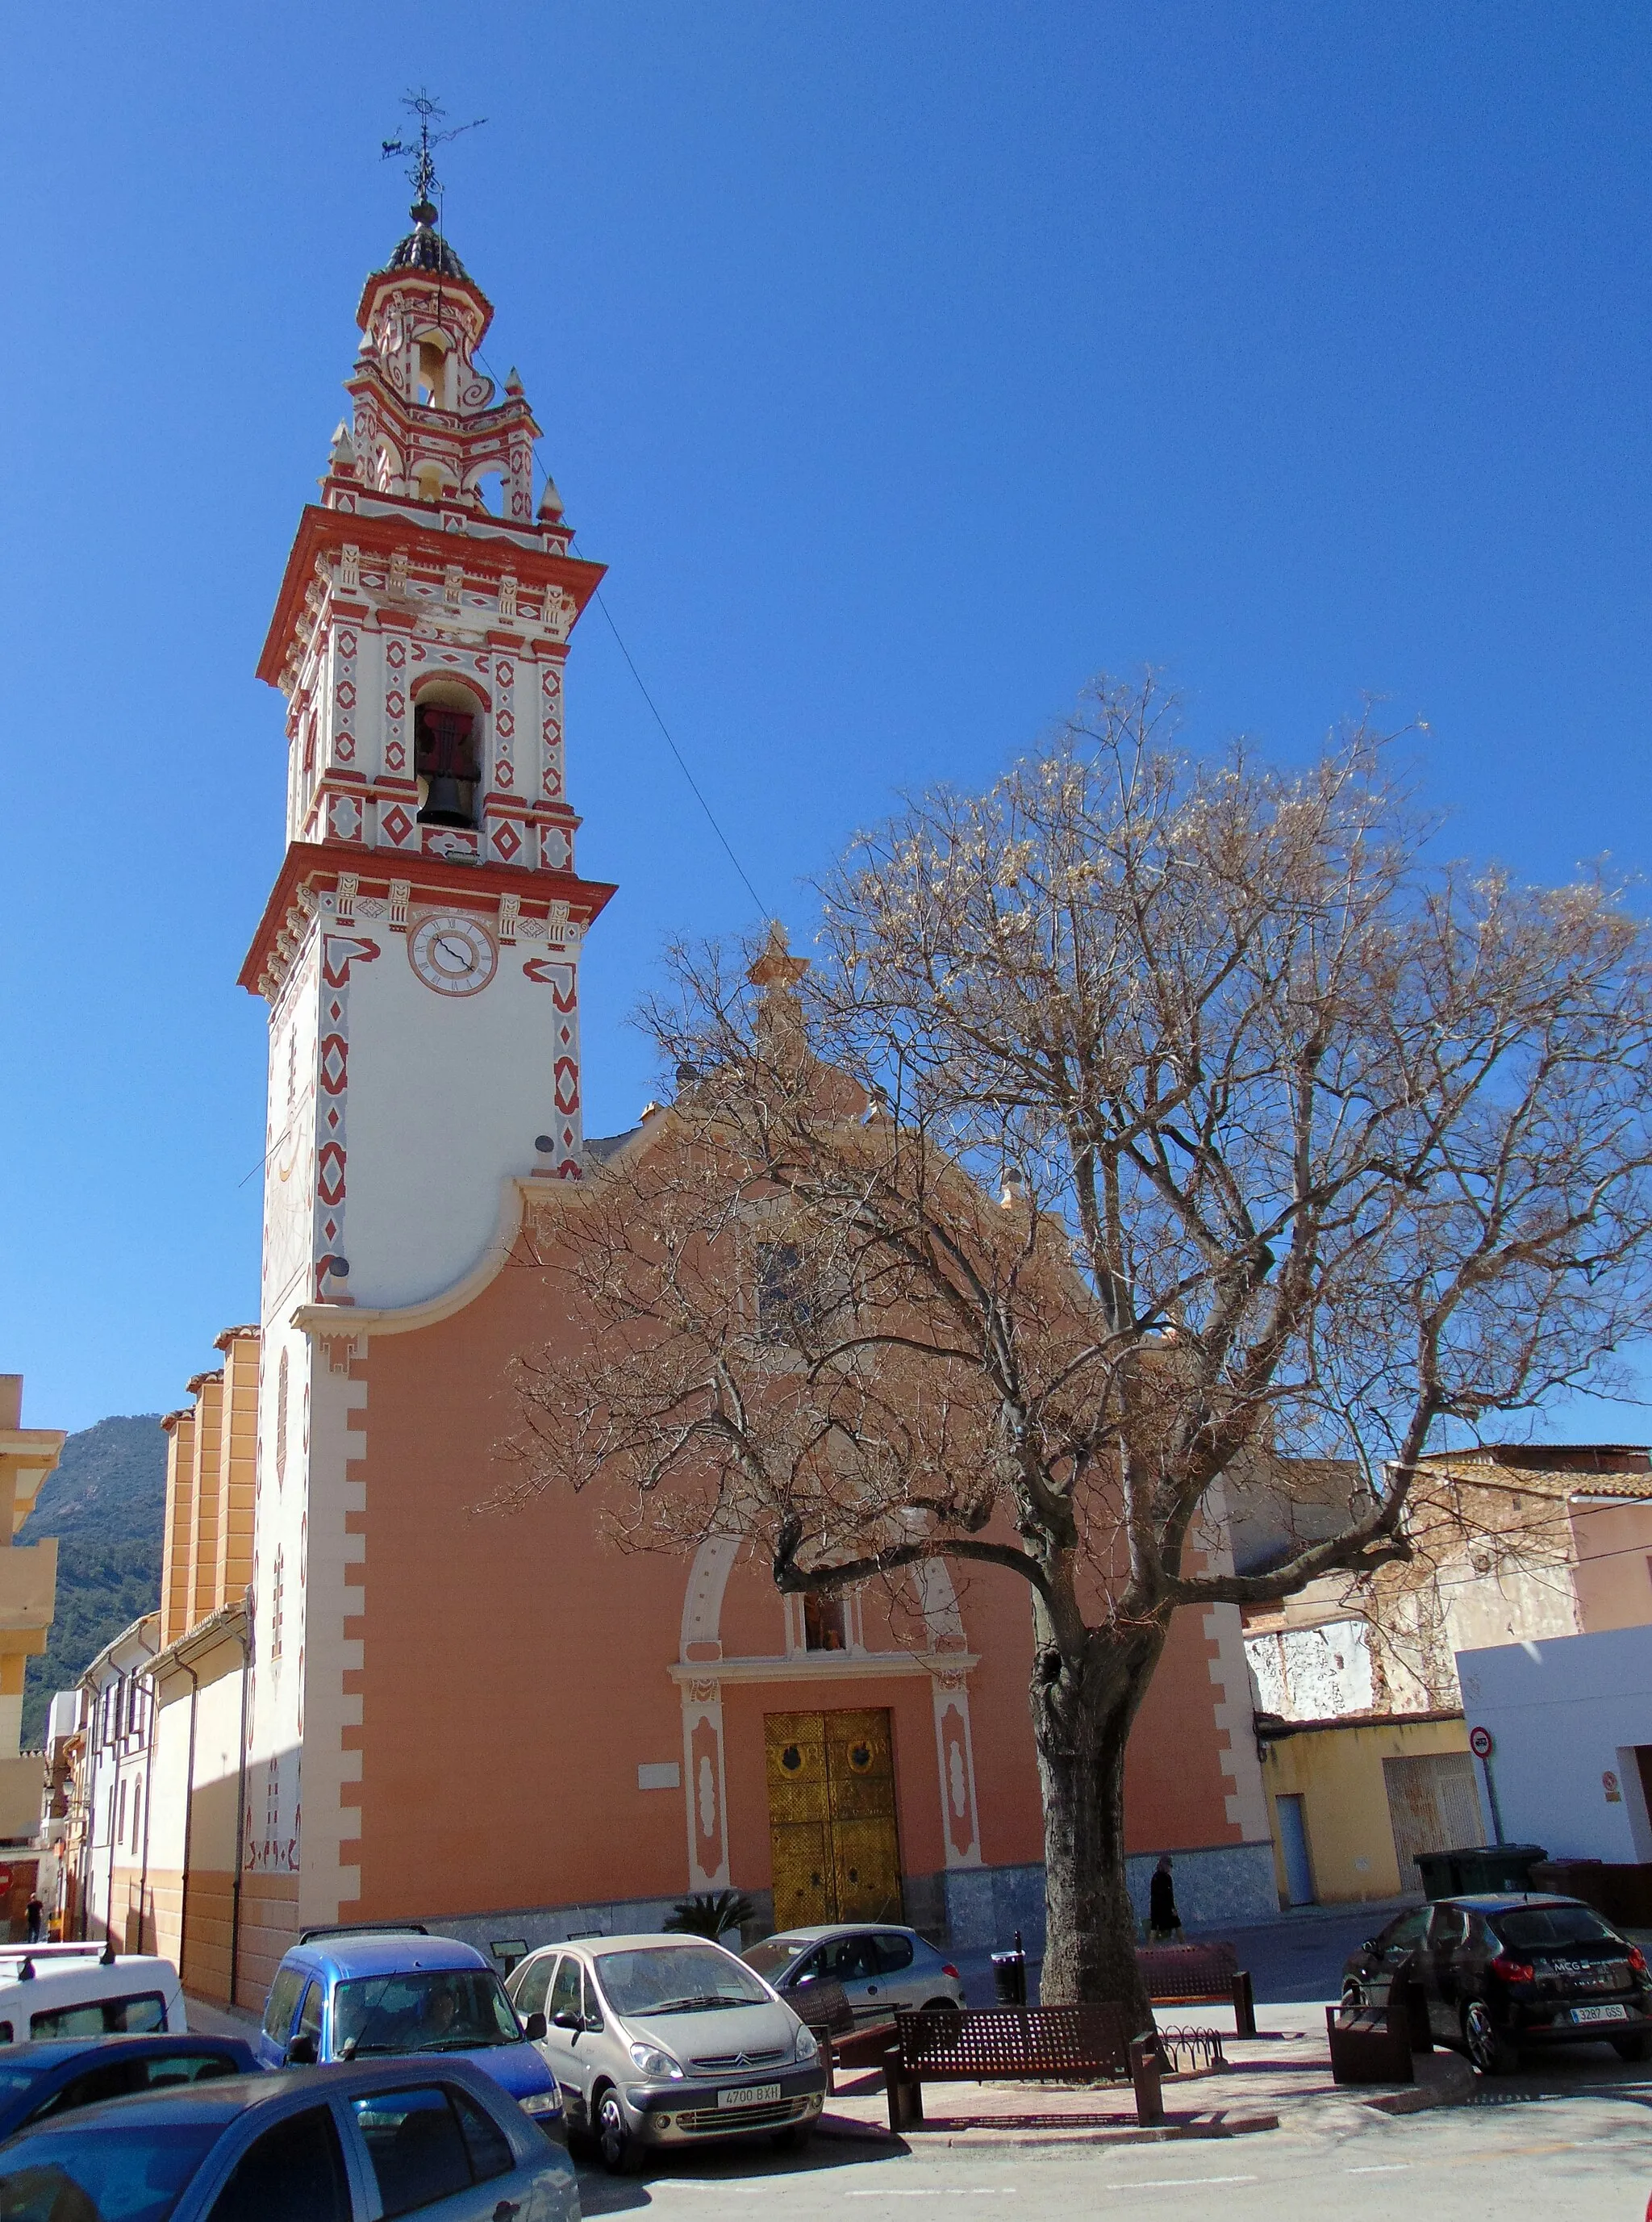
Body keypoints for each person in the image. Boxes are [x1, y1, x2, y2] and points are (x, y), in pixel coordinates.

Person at [1147, 1855, 1181, 1942]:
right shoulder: (1167, 1878)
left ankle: (1150, 1948)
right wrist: (1172, 1908)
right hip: (1164, 1906)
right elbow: (1169, 1895)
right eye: (1169, 1866)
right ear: (1165, 1865)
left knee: (1154, 1927)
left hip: (1156, 1906)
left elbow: (1155, 1894)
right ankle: (1182, 1942)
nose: (1170, 1868)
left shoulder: (1155, 1877)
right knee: (1177, 1923)